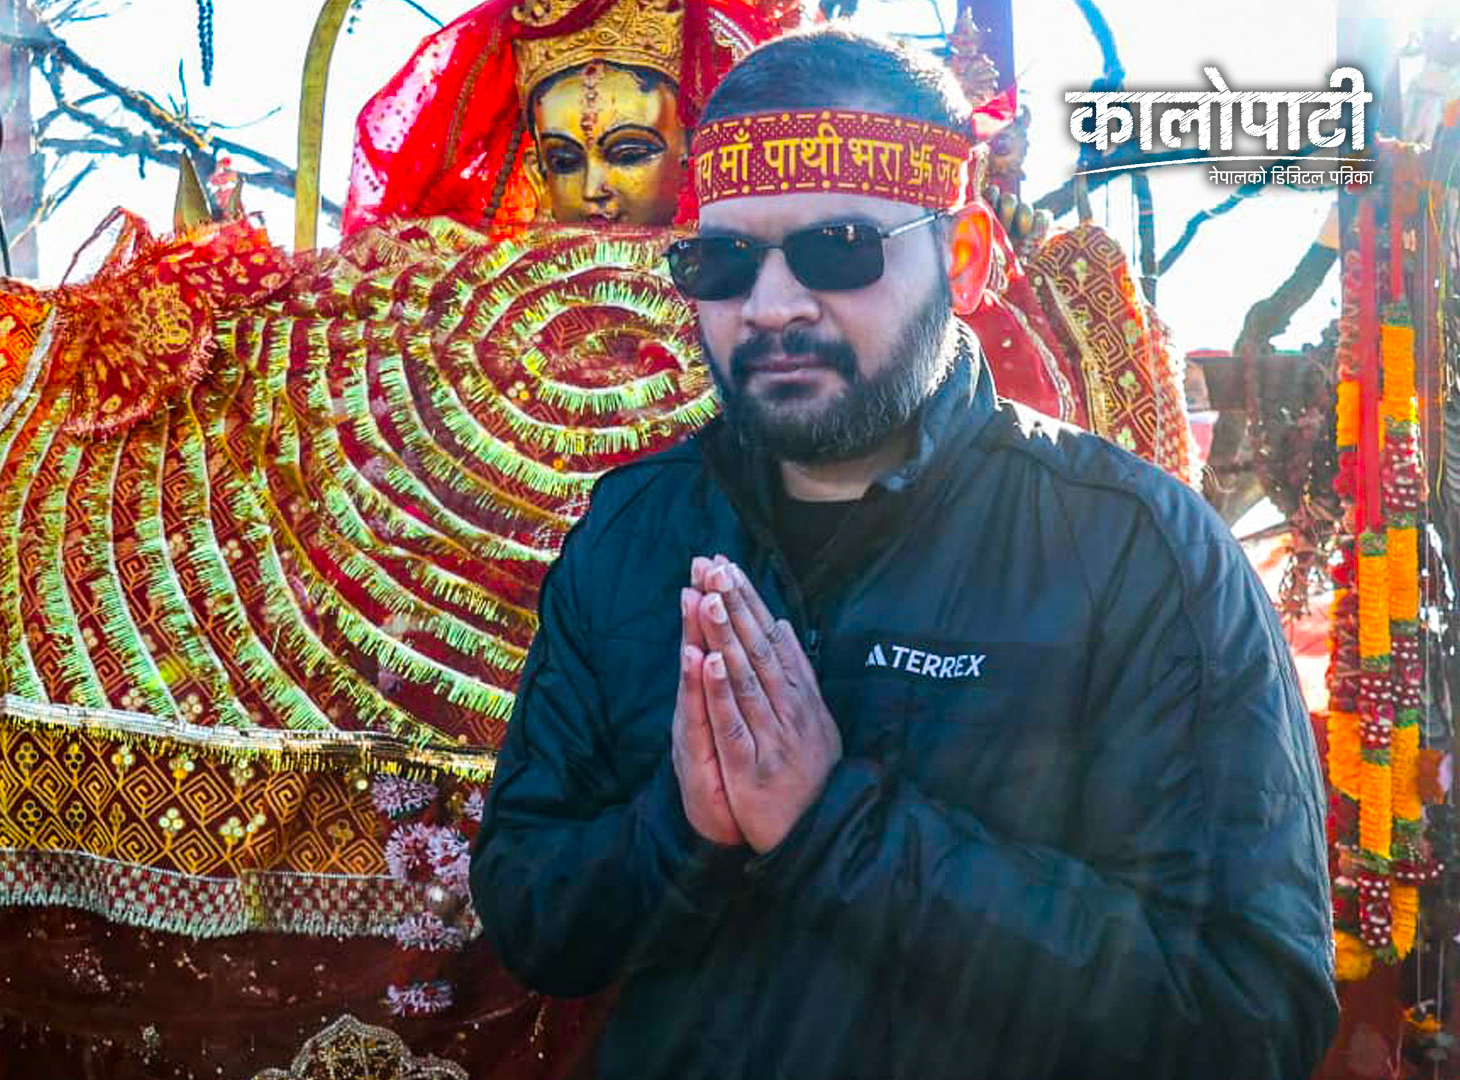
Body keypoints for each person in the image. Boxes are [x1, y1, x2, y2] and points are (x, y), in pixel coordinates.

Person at [468, 25, 1339, 1080]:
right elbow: (533, 919)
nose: (771, 307)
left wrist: (834, 828)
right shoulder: (632, 534)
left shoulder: (1138, 555)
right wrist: (681, 828)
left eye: (839, 248)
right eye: (724, 263)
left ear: (962, 259)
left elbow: (1250, 1019)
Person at [342, 0, 796, 237]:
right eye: (564, 161)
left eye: (629, 153)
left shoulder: (764, 299)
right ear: (535, 173)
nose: (592, 189)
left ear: (694, 155)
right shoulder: (484, 321)